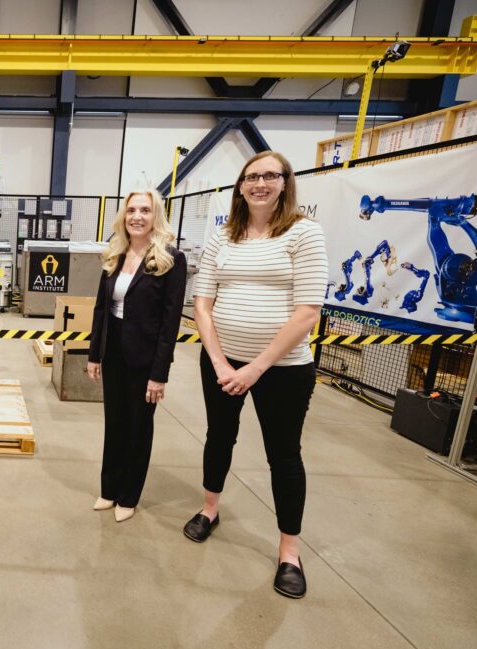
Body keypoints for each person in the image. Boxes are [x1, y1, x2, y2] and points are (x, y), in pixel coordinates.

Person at [184, 151, 328, 599]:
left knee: (283, 455)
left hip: (282, 370)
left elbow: (307, 312)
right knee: (218, 436)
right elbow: (202, 305)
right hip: (221, 362)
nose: (259, 183)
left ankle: (289, 551)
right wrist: (223, 363)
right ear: (240, 186)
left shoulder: (304, 234)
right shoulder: (223, 238)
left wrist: (257, 368)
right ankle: (210, 509)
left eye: (269, 176)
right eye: (251, 177)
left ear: (285, 182)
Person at [86, 190, 187, 523]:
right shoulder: (116, 253)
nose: (137, 217)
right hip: (113, 354)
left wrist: (160, 374)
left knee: (138, 427)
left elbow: (170, 323)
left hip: (145, 360)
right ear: (123, 216)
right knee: (114, 423)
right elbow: (102, 309)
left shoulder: (170, 259)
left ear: (155, 215)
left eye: (145, 210)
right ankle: (109, 489)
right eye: (131, 210)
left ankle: (129, 495)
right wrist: (94, 354)